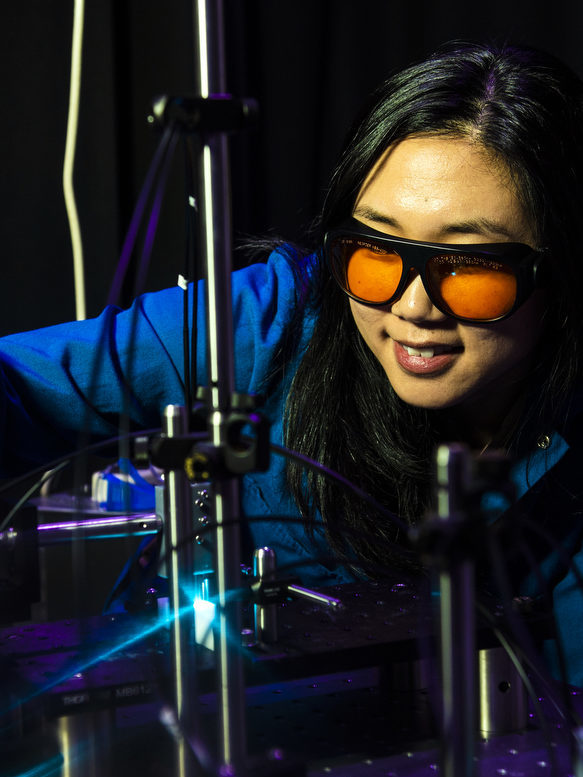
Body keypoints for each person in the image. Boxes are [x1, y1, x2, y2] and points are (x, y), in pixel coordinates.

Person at [1, 41, 583, 683]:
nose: (413, 307)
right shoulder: (272, 321)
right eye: (375, 249)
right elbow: (20, 382)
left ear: (558, 272)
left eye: (470, 264)